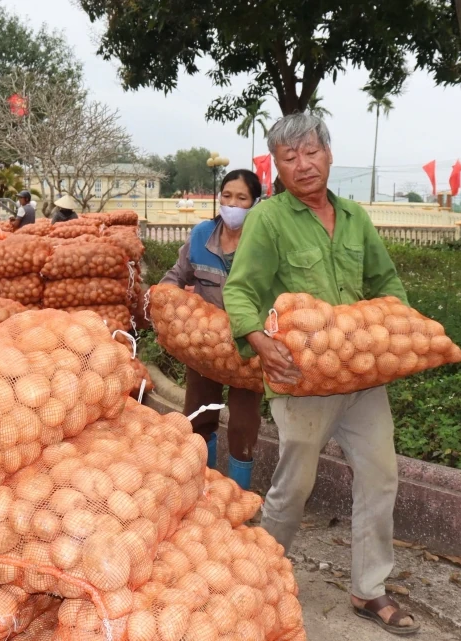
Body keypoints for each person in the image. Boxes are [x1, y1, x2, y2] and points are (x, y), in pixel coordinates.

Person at [224, 113, 417, 635]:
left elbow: (385, 282)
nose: (303, 165)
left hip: (361, 380)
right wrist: (260, 342)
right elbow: (240, 290)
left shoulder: (354, 218)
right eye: (289, 158)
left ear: (329, 155)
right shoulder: (267, 220)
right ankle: (267, 573)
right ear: (278, 168)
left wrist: (397, 331)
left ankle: (369, 589)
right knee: (295, 484)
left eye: (311, 152)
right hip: (300, 379)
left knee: (380, 476)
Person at [160, 169, 264, 490]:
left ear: (255, 202)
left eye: (242, 198)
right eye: (227, 196)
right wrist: (163, 297)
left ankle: (237, 494)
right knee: (199, 417)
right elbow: (178, 275)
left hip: (247, 348)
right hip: (204, 347)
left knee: (243, 426)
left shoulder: (264, 243)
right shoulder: (201, 236)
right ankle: (203, 488)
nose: (232, 204)